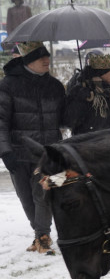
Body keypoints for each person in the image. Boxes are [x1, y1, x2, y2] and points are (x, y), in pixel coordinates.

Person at [0, 42, 64, 254]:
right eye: (40, 57)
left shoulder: (54, 86)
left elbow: (67, 119)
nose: (47, 60)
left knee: (42, 195)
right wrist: (5, 151)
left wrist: (80, 94)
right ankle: (39, 235)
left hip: (46, 153)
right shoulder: (8, 85)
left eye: (47, 56)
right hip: (18, 153)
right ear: (27, 61)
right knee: (26, 198)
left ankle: (43, 237)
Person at [63, 53, 110, 135]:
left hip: (109, 142)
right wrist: (79, 99)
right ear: (102, 74)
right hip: (87, 143)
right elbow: (69, 121)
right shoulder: (82, 91)